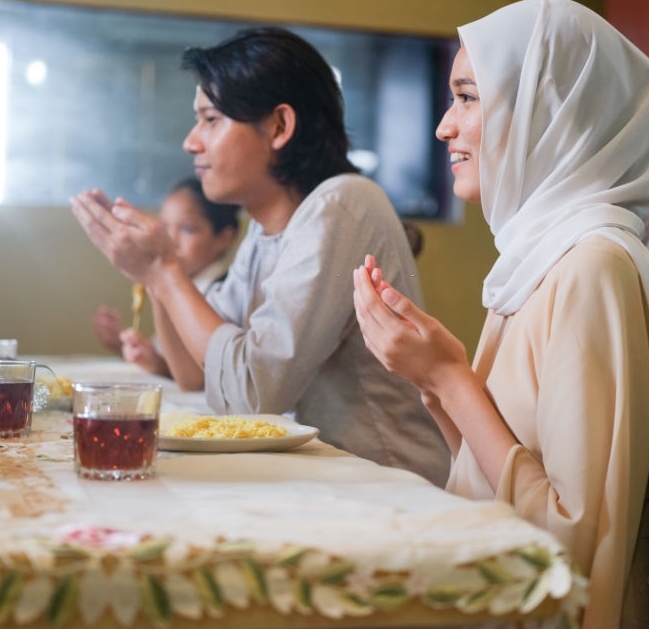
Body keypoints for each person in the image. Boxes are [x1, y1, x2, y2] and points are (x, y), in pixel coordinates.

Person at [352, 0, 649, 627]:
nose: (444, 127)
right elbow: (496, 481)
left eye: (469, 97)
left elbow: (571, 548)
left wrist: (452, 378)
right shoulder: (537, 261)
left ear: (550, 109)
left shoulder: (592, 269)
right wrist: (433, 382)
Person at [71, 27, 450, 485]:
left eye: (211, 119)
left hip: (383, 484)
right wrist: (156, 275)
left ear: (278, 126)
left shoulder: (342, 204)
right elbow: (195, 373)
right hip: (320, 479)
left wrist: (164, 270)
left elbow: (249, 394)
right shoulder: (264, 229)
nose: (192, 141)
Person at [92, 176, 240, 374]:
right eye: (165, 228)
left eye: (188, 229)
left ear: (224, 237)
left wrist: (159, 365)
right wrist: (124, 346)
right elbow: (170, 359)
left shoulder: (224, 293)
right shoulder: (181, 284)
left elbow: (201, 376)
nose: (171, 241)